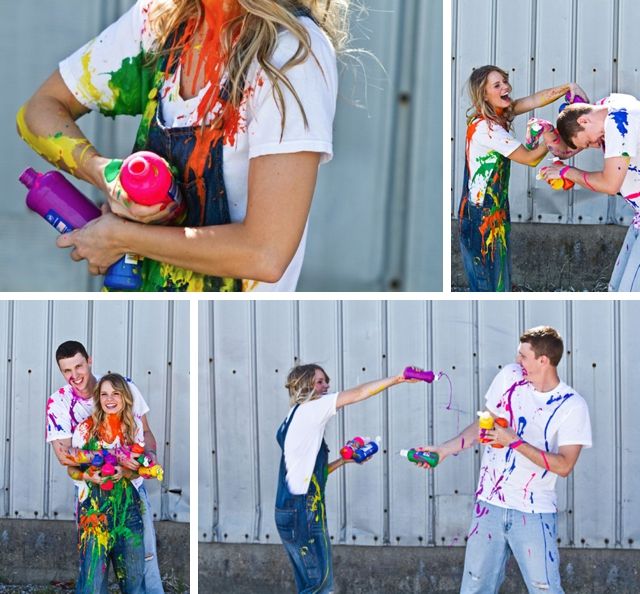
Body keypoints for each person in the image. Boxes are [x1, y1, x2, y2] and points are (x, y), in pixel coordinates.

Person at [17, 0, 345, 291]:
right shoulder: (160, 19)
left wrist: (119, 237)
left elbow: (265, 254)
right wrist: (106, 175)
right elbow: (38, 111)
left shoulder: (290, 54)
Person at [416, 326, 591, 593]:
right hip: (489, 505)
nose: (517, 360)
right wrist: (443, 450)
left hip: (533, 513)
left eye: (523, 356)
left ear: (543, 361)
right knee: (475, 588)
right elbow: (481, 427)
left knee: (545, 589)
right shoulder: (509, 376)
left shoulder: (571, 406)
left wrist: (514, 442)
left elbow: (564, 465)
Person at [275, 364, 417, 593]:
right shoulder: (311, 409)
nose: (326, 386)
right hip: (303, 513)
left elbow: (308, 476)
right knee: (320, 586)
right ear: (304, 385)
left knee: (309, 585)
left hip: (290, 510)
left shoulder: (292, 416)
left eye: (325, 381)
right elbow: (359, 393)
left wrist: (343, 461)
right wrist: (397, 379)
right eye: (319, 381)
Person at [46, 340, 164, 593]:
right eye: (67, 371)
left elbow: (146, 433)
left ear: (90, 361)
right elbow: (65, 458)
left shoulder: (124, 386)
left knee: (142, 566)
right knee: (92, 572)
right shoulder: (63, 407)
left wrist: (148, 459)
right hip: (92, 499)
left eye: (79, 366)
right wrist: (113, 457)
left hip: (131, 495)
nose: (74, 376)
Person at [458, 65, 588, 291]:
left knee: (499, 279)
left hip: (495, 210)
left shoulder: (499, 114)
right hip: (480, 217)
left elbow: (535, 99)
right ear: (484, 95)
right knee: (488, 284)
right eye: (497, 85)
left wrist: (568, 87)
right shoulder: (486, 129)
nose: (505, 87)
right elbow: (530, 158)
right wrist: (551, 137)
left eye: (505, 81)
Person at [540, 94, 640, 291]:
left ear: (583, 120)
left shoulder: (620, 122)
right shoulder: (609, 106)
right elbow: (565, 148)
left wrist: (567, 172)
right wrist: (547, 130)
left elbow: (610, 185)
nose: (595, 146)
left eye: (588, 142)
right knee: (618, 287)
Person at [71, 373, 149, 593]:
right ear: (98, 398)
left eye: (115, 393)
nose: (110, 399)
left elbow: (139, 473)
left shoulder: (134, 428)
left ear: (125, 397)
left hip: (128, 513)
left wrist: (125, 471)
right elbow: (71, 469)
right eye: (104, 394)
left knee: (134, 580)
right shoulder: (85, 430)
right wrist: (89, 476)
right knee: (92, 583)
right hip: (94, 515)